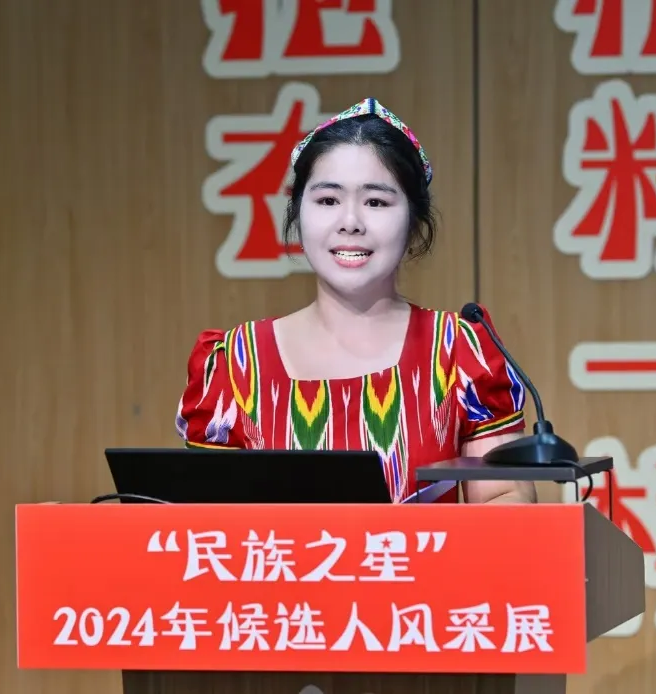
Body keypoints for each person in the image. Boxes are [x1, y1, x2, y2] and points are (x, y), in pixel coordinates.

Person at [175, 98, 535, 505]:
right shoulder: (237, 364)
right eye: (328, 200)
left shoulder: (459, 352)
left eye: (376, 202)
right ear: (298, 212)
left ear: (413, 220)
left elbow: (505, 500)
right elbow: (204, 521)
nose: (350, 222)